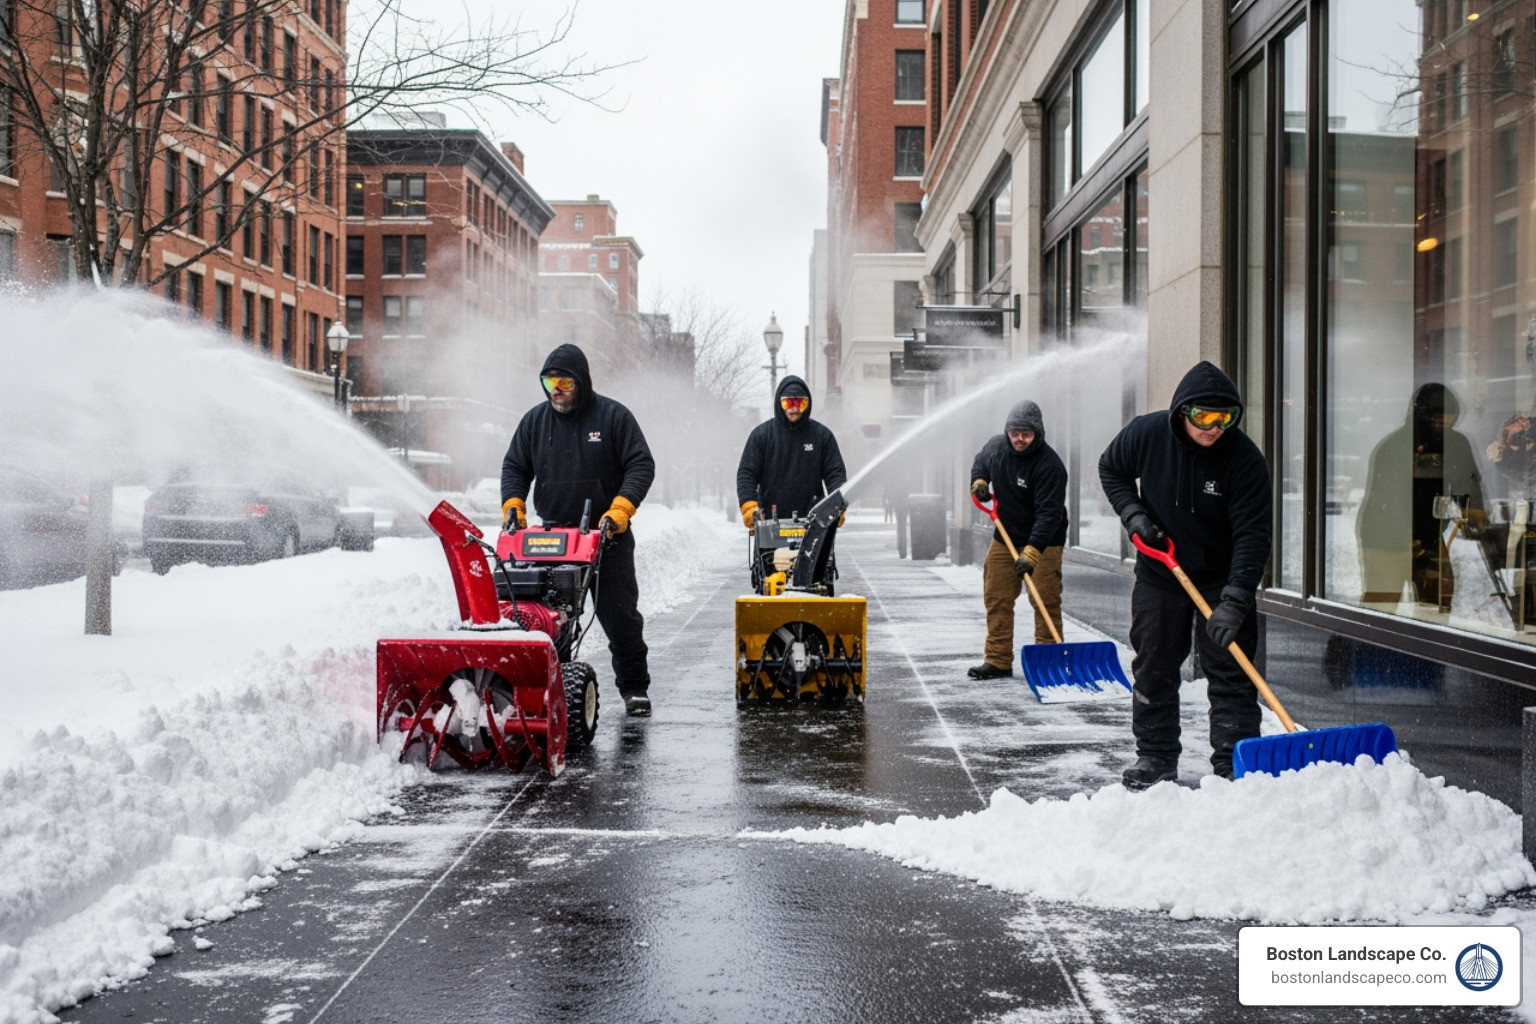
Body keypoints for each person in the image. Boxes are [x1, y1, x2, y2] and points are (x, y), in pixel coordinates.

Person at [1098, 361, 1272, 788]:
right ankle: (1155, 757)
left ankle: (1234, 762)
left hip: (1221, 577)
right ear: (1182, 411)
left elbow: (1253, 534)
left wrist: (1234, 601)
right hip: (1161, 572)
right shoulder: (1147, 434)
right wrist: (1133, 513)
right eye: (1203, 417)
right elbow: (1111, 468)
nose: (1214, 428)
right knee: (1154, 666)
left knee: (1231, 669)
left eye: (1224, 418)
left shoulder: (1244, 459)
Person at [501, 344, 657, 717]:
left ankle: (634, 688)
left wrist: (620, 509)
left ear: (581, 382)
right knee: (551, 620)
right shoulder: (534, 422)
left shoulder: (613, 417)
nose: (555, 388)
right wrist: (514, 504)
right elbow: (515, 467)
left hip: (605, 538)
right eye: (549, 381)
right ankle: (554, 690)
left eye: (564, 381)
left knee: (620, 618)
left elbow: (641, 464)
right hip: (551, 539)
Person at [1357, 383, 1485, 608]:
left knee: (1440, 596)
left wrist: (1476, 512)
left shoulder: (1456, 444)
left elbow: (1471, 483)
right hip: (1385, 536)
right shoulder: (1395, 447)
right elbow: (1387, 501)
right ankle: (1361, 643)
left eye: (1448, 421)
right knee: (1384, 601)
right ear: (1420, 416)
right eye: (1437, 421)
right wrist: (1410, 544)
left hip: (1429, 532)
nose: (1442, 427)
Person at [965, 400, 1068, 680]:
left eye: (1026, 434)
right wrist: (980, 481)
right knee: (996, 595)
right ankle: (998, 661)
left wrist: (1032, 552)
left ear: (1038, 434)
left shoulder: (1050, 466)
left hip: (1045, 540)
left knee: (1044, 599)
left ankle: (1049, 661)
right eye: (1015, 433)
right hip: (1006, 536)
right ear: (1007, 432)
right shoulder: (997, 447)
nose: (1019, 439)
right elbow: (980, 462)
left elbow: (1049, 515)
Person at [736, 376, 848, 582]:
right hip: (771, 522)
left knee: (816, 576)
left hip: (812, 521)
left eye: (800, 403)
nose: (794, 408)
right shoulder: (762, 436)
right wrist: (749, 507)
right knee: (770, 576)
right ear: (780, 403)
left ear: (808, 404)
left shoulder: (822, 437)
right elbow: (747, 474)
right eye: (789, 402)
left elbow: (835, 474)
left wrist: (837, 506)